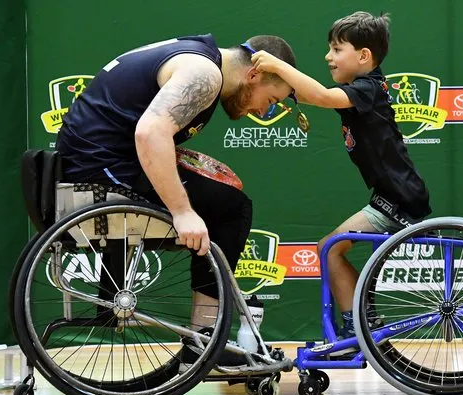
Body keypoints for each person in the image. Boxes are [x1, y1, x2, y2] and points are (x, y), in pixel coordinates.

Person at [55, 33, 297, 364]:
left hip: (101, 157)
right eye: (269, 99)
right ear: (253, 75)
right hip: (99, 167)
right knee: (231, 209)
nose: (263, 111)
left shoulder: (200, 56)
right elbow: (149, 132)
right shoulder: (205, 74)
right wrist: (182, 212)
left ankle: (203, 338)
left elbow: (142, 123)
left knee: (225, 198)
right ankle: (204, 337)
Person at [251, 12, 432, 340]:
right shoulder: (359, 91)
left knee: (329, 248)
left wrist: (278, 66)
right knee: (328, 248)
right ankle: (360, 323)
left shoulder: (367, 88)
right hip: (389, 197)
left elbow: (319, 96)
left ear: (364, 56)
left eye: (336, 49)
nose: (328, 56)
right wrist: (281, 86)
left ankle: (357, 326)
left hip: (398, 201)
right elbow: (309, 95)